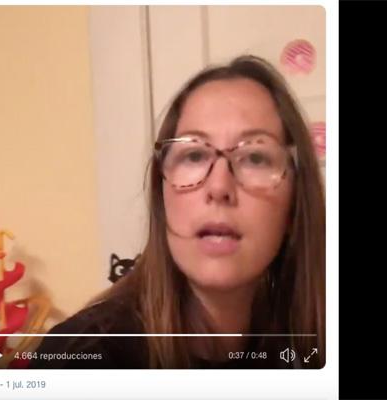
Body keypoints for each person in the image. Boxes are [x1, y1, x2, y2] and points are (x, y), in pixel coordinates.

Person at [29, 55, 325, 369]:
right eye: (194, 155)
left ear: (295, 201)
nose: (219, 187)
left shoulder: (309, 347)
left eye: (255, 158)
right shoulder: (78, 359)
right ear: (162, 197)